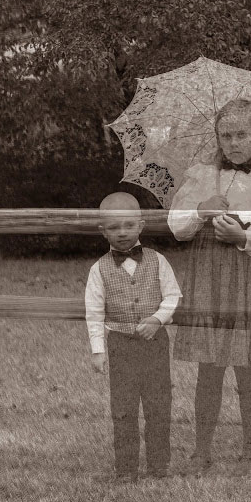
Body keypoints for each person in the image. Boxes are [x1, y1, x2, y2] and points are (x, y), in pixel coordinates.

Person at [168, 98, 251, 476]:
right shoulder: (202, 175)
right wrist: (201, 209)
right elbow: (176, 227)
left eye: (241, 135)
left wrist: (242, 237)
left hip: (249, 277)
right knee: (210, 366)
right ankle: (200, 451)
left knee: (248, 367)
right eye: (225, 136)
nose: (233, 143)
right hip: (208, 275)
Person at [85, 192, 182, 483]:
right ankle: (126, 469)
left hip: (155, 345)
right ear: (102, 231)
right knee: (123, 408)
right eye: (114, 228)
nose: (122, 233)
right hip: (121, 345)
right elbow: (93, 312)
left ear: (141, 226)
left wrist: (157, 319)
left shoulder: (158, 261)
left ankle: (158, 466)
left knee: (158, 405)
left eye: (128, 225)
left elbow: (173, 296)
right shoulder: (98, 269)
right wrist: (98, 350)